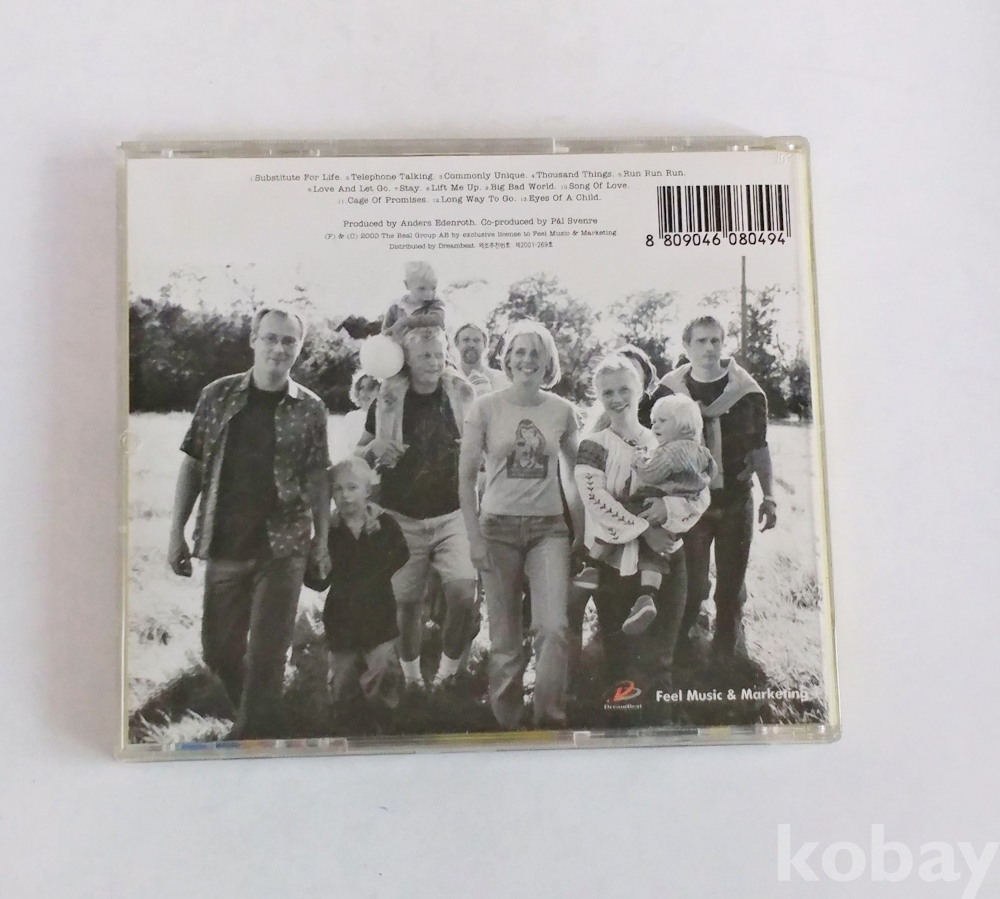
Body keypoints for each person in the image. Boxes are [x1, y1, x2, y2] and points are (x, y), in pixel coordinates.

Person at [167, 307, 332, 739]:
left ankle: (253, 734)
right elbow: (193, 465)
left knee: (267, 653)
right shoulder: (217, 395)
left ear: (299, 347)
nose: (279, 348)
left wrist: (322, 541)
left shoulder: (311, 408)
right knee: (218, 651)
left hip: (284, 544)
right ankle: (260, 712)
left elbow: (318, 477)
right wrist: (176, 533)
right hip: (225, 542)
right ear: (253, 340)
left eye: (289, 341)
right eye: (271, 338)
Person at [459, 320, 583, 729]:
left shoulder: (562, 411)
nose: (528, 360)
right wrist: (474, 539)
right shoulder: (484, 408)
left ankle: (549, 717)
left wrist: (582, 531)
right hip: (497, 531)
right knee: (505, 639)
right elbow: (465, 478)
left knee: (553, 627)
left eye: (536, 353)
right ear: (507, 358)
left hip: (549, 531)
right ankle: (507, 722)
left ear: (548, 362)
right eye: (520, 352)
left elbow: (575, 476)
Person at [355, 326, 477, 689]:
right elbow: (357, 456)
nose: (434, 362)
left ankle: (447, 676)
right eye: (425, 355)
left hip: (453, 514)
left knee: (463, 595)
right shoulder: (387, 399)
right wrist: (373, 449)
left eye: (439, 354)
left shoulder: (460, 395)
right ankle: (412, 681)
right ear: (406, 360)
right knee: (406, 604)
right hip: (401, 515)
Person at [648, 315, 778, 657]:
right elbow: (651, 440)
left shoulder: (747, 393)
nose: (709, 348)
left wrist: (770, 497)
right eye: (701, 341)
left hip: (735, 499)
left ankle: (726, 656)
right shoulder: (668, 391)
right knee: (692, 585)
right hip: (689, 502)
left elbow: (759, 447)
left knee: (730, 587)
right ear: (686, 346)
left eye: (715, 340)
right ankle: (682, 652)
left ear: (723, 343)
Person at [574, 354, 688, 691]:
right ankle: (623, 716)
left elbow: (689, 490)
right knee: (622, 660)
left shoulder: (663, 440)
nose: (617, 398)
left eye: (624, 389)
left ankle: (660, 716)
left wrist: (667, 512)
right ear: (598, 397)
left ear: (640, 390)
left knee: (660, 658)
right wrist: (645, 530)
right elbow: (596, 501)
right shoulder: (593, 445)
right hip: (615, 563)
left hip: (665, 559)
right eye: (607, 392)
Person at [587, 394, 715, 636]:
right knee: (654, 555)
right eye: (654, 421)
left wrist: (667, 504)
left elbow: (656, 476)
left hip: (648, 512)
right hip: (654, 533)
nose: (655, 425)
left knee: (623, 513)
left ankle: (591, 565)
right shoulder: (699, 451)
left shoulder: (667, 449)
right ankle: (647, 595)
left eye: (661, 421)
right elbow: (708, 477)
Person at [307, 456, 410, 729]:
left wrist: (375, 541)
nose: (345, 496)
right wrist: (318, 565)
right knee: (343, 683)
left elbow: (401, 554)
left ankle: (386, 725)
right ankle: (347, 725)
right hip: (341, 619)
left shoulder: (383, 524)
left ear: (367, 490)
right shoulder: (329, 532)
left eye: (352, 488)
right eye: (338, 490)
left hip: (379, 615)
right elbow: (317, 581)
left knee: (383, 675)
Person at [453, 321, 509, 397]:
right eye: (466, 340)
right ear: (457, 344)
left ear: (485, 345)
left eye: (476, 340)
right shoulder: (448, 377)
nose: (471, 344)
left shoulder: (499, 379)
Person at [340, 369, 380, 452]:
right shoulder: (352, 418)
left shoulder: (385, 417)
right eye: (361, 388)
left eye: (370, 388)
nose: (364, 393)